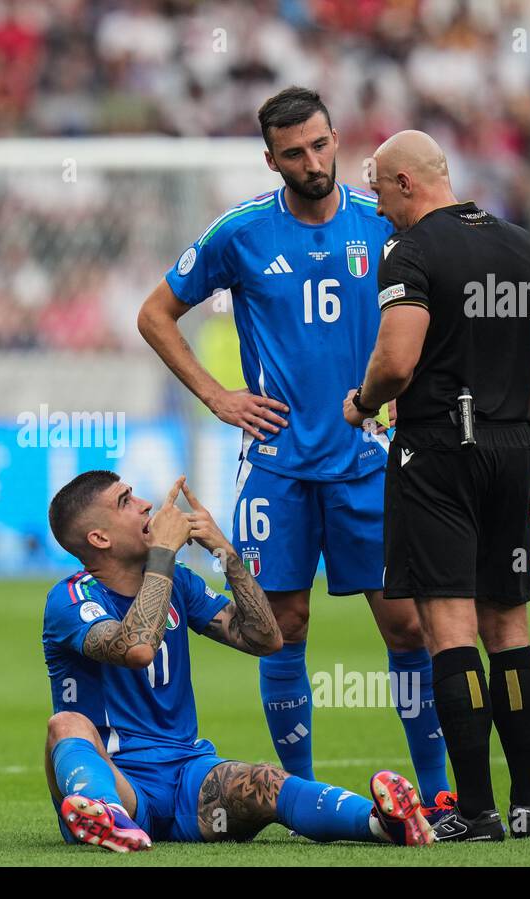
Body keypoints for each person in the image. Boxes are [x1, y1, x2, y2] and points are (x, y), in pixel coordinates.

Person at [137, 86, 450, 812]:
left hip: (369, 460)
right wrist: (217, 396)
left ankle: (437, 793)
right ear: (271, 158)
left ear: (337, 139)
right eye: (294, 152)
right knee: (281, 629)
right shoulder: (240, 233)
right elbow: (155, 315)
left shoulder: (385, 224)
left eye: (321, 144)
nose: (312, 161)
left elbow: (436, 311)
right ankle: (300, 790)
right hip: (276, 465)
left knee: (405, 623)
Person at [345, 129, 530, 841]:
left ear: (409, 182)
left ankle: (475, 811)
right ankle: (529, 805)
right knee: (510, 625)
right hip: (508, 446)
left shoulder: (410, 252)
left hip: (438, 448)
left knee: (450, 630)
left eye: (378, 188)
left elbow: (398, 359)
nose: (377, 206)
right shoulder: (525, 247)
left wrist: (364, 399)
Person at [43, 470, 435, 852]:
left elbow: (267, 639)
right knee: (66, 724)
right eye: (126, 501)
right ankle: (105, 815)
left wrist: (226, 553)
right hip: (117, 777)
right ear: (99, 537)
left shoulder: (179, 580)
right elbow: (137, 649)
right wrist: (163, 552)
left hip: (187, 776)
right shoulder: (71, 599)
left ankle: (385, 824)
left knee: (264, 781)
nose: (146, 505)